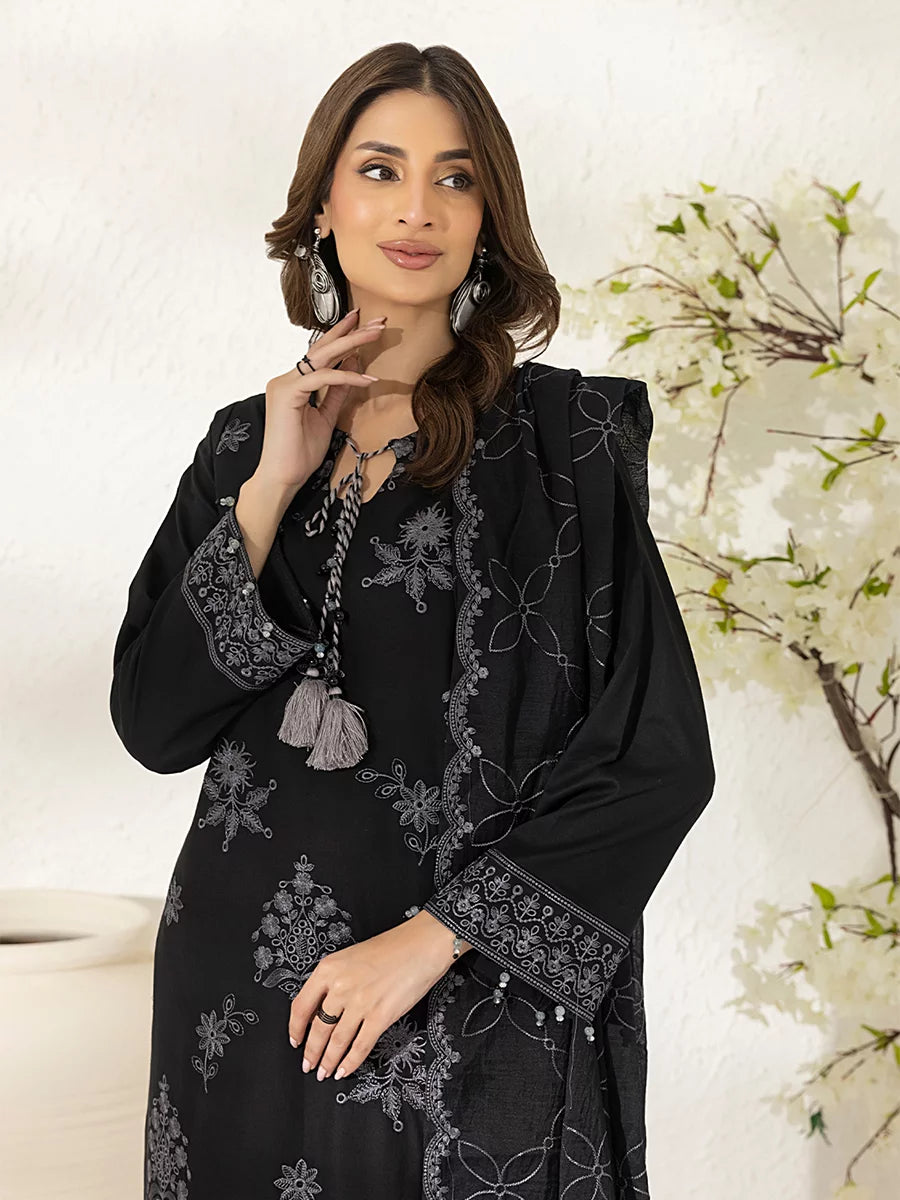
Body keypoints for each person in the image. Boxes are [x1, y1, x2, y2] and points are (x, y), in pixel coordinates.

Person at [110, 42, 716, 1200]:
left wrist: (433, 938)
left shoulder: (562, 448)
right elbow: (153, 722)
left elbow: (659, 756)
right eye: (381, 170)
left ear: (489, 219)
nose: (418, 209)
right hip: (238, 1012)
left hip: (465, 1006)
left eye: (456, 178)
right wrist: (270, 491)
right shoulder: (244, 444)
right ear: (322, 205)